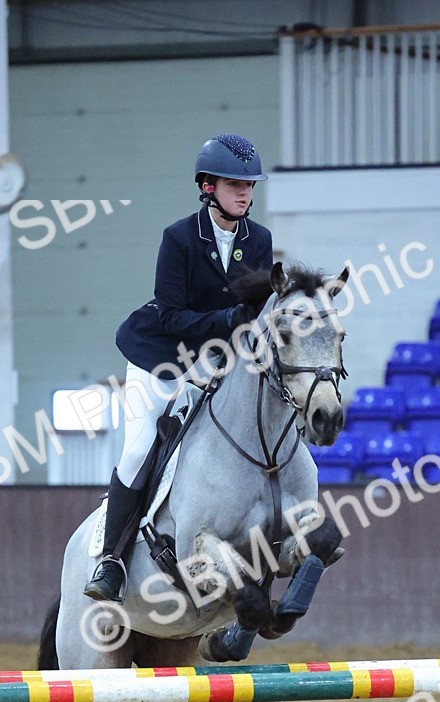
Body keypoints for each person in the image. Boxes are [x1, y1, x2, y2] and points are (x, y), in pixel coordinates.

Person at [84, 133, 274, 603]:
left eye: (250, 185)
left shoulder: (260, 240)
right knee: (141, 446)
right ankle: (111, 559)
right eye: (234, 184)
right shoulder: (179, 238)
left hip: (216, 360)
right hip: (161, 356)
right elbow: (169, 316)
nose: (245, 193)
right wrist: (227, 319)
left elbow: (259, 316)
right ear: (207, 186)